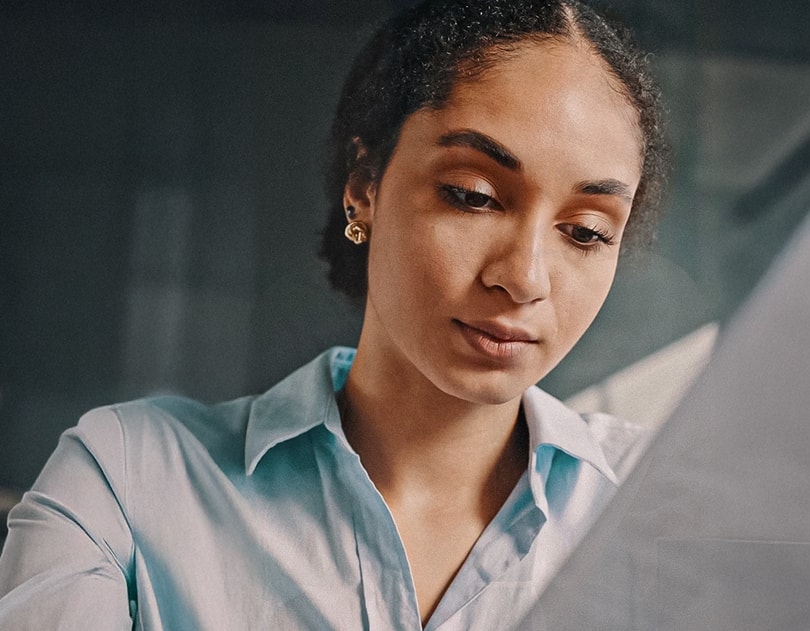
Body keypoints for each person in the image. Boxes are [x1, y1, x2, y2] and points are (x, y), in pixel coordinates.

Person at [0, 0, 669, 628]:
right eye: (472, 195)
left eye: (585, 232)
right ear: (364, 187)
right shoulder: (126, 477)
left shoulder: (664, 506)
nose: (523, 278)